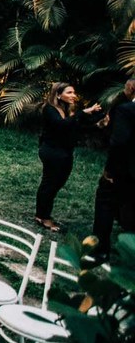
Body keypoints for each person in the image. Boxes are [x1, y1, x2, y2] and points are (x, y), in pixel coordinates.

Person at [35, 82, 102, 232]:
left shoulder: (67, 110)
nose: (74, 95)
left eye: (74, 92)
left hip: (64, 152)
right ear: (58, 95)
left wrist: (98, 125)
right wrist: (84, 112)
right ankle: (43, 216)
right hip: (52, 151)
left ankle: (43, 213)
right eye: (69, 92)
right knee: (50, 183)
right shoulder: (50, 109)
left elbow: (75, 128)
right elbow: (61, 125)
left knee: (57, 183)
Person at [89, 79, 135, 262]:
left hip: (124, 172)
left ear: (131, 88)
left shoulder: (127, 111)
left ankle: (100, 250)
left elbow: (119, 143)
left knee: (105, 203)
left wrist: (110, 171)